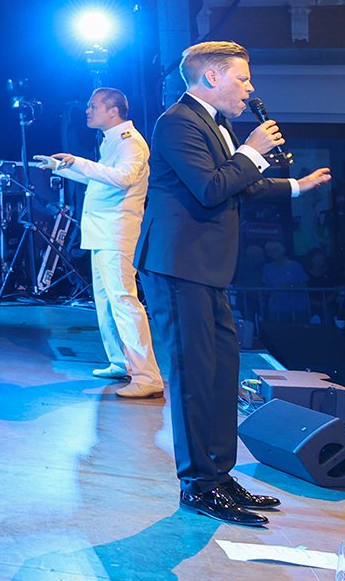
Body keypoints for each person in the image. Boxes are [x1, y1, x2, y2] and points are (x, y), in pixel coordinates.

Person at [135, 41, 331, 527]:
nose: (250, 88)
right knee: (194, 380)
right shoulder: (177, 122)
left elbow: (236, 179)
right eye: (242, 79)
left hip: (204, 269)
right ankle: (198, 486)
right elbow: (211, 187)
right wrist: (252, 150)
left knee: (222, 375)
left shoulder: (214, 123)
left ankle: (219, 476)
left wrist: (295, 186)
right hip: (178, 267)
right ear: (211, 78)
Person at [39, 87, 162, 400]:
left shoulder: (130, 142)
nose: (87, 111)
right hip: (103, 232)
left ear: (113, 110)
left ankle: (147, 375)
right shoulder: (112, 142)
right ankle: (120, 361)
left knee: (122, 300)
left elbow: (122, 178)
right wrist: (62, 168)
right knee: (107, 302)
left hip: (117, 233)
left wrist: (77, 161)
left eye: (93, 106)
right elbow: (102, 177)